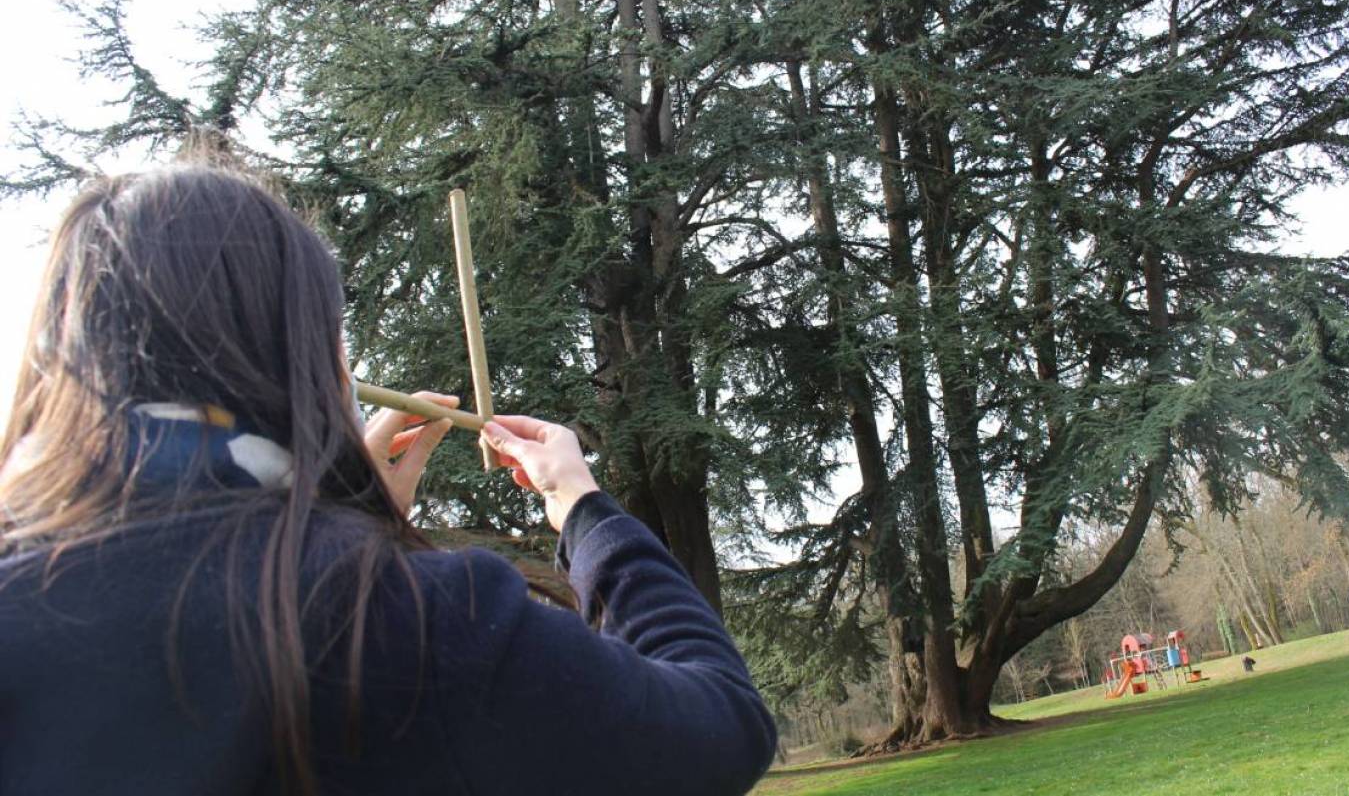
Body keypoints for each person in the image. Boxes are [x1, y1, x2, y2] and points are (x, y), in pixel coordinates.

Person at [0, 167, 776, 794]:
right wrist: (583, 507)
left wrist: (331, 517)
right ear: (310, 356)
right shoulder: (421, 621)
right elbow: (721, 729)